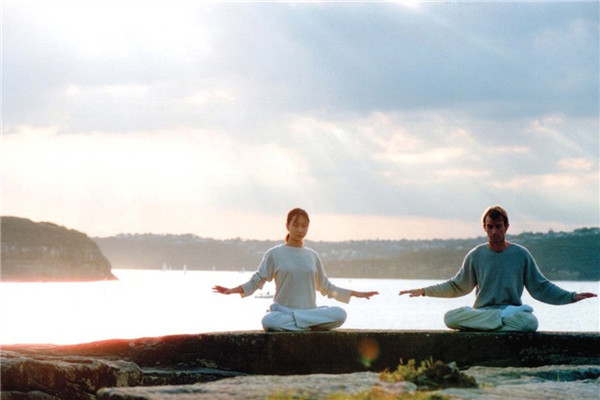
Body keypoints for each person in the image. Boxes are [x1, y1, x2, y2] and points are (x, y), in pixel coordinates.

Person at [399, 205, 597, 332]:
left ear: (506, 227)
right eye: (490, 227)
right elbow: (458, 285)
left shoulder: (520, 254)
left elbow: (541, 287)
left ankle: (492, 322)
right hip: (483, 312)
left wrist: (571, 296)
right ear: (484, 227)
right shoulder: (476, 255)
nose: (494, 231)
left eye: (498, 226)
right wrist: (425, 291)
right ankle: (496, 320)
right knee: (449, 318)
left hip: (511, 312)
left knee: (530, 323)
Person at [213, 208, 379, 332]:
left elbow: (326, 287)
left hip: (309, 311)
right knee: (269, 321)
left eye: (304, 226)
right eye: (296, 225)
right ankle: (308, 324)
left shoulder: (312, 255)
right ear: (288, 226)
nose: (300, 230)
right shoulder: (274, 254)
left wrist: (357, 293)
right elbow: (257, 280)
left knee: (340, 314)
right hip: (284, 312)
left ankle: (300, 323)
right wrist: (232, 290)